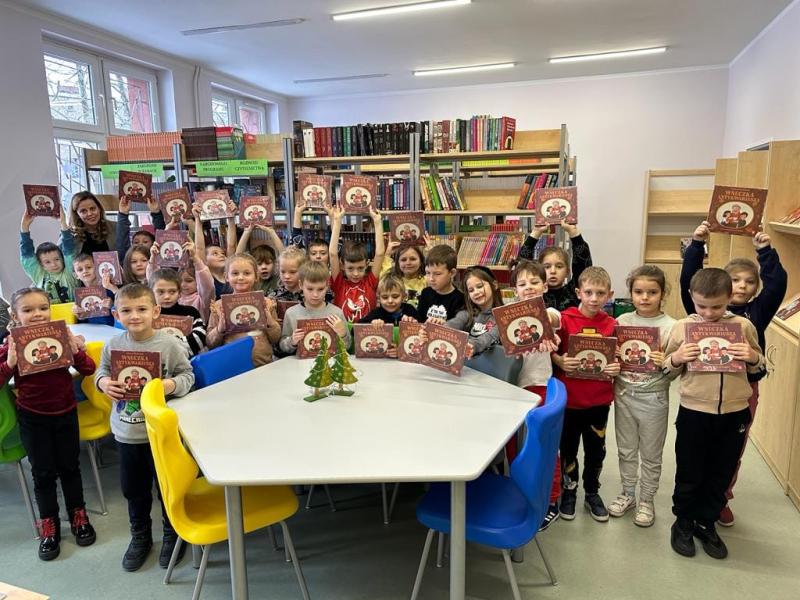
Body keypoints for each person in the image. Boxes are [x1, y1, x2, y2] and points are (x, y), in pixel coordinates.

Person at [680, 222, 787, 526]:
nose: (742, 286)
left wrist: (765, 251)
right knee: (696, 449)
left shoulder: (757, 312)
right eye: (735, 280)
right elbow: (691, 281)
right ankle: (695, 500)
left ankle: (721, 497)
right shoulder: (702, 309)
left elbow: (777, 284)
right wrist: (697, 245)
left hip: (742, 391)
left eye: (749, 282)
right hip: (701, 391)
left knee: (731, 450)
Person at [663, 268, 765, 560]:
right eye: (701, 306)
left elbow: (760, 369)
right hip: (694, 410)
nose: (708, 313)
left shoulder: (744, 327)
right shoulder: (682, 327)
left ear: (730, 298)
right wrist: (677, 359)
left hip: (734, 412)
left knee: (721, 470)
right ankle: (683, 521)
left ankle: (706, 522)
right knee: (689, 470)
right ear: (692, 299)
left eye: (717, 306)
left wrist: (753, 358)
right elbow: (666, 371)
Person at [94, 283, 194, 571]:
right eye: (126, 310)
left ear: (156, 311)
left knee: (165, 489)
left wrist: (169, 384)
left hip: (160, 435)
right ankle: (140, 536)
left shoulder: (168, 344)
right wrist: (103, 383)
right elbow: (102, 371)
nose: (134, 316)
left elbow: (187, 375)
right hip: (126, 433)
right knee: (133, 490)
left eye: (141, 309)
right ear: (116, 314)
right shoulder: (114, 345)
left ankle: (172, 533)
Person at [0, 287, 97, 560]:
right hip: (32, 417)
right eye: (28, 310)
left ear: (50, 309)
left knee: (70, 467)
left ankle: (78, 515)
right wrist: (9, 363)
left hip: (66, 411)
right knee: (42, 473)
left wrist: (75, 347)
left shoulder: (61, 335)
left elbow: (88, 369)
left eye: (42, 308)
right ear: (14, 314)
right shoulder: (11, 343)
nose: (37, 314)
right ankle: (49, 524)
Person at [607, 265, 676, 528]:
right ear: (631, 293)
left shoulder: (671, 327)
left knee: (650, 453)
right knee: (625, 449)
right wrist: (612, 361)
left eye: (652, 292)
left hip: (654, 397)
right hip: (624, 393)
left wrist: (666, 362)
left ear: (662, 294)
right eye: (638, 292)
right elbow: (613, 359)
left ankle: (646, 499)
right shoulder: (621, 322)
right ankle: (627, 493)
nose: (644, 297)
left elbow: (675, 372)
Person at [552, 266, 620, 523]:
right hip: (569, 401)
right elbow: (548, 349)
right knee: (567, 448)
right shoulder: (564, 319)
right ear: (578, 292)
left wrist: (616, 367)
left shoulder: (612, 324)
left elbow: (618, 358)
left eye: (600, 293)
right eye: (589, 292)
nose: (594, 298)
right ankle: (570, 491)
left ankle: (592, 492)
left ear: (609, 295)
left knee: (595, 451)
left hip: (599, 402)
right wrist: (559, 361)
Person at [510, 260, 562, 529]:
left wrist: (540, 317)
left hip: (539, 385)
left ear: (544, 285)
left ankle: (551, 499)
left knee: (543, 446)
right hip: (511, 388)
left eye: (534, 283)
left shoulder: (550, 310)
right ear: (514, 289)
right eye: (522, 284)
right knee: (512, 445)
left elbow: (553, 319)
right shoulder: (507, 314)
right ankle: (516, 491)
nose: (528, 288)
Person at [207, 253, 281, 366]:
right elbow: (210, 344)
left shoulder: (267, 303)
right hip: (232, 367)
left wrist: (271, 322)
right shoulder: (219, 306)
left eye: (247, 273)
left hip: (263, 365)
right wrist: (219, 329)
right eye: (235, 273)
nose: (241, 277)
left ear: (256, 276)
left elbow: (275, 339)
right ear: (227, 276)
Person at [518, 221, 593, 311]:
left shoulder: (574, 291)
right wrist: (536, 232)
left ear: (567, 272)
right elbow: (523, 265)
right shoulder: (534, 293)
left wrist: (573, 232)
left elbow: (583, 265)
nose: (553, 271)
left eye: (559, 266)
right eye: (547, 267)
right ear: (539, 270)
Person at [278, 261, 350, 355]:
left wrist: (343, 334)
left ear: (327, 286)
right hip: (301, 366)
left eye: (320, 289)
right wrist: (292, 341)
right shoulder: (291, 313)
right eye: (310, 289)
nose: (315, 295)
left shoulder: (337, 313)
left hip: (329, 365)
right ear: (301, 285)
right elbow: (283, 347)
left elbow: (347, 346)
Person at [329, 206, 386, 322]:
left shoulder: (370, 282)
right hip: (343, 333)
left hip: (367, 333)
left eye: (360, 268)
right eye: (350, 268)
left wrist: (377, 222)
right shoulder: (339, 284)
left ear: (367, 264)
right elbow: (332, 254)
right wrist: (337, 221)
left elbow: (380, 253)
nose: (355, 273)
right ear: (342, 265)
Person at [20, 211, 78, 303]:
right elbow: (27, 255)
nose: (54, 264)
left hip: (70, 315)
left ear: (63, 259)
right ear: (41, 265)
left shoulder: (68, 273)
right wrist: (24, 226)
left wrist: (63, 222)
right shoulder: (39, 275)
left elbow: (69, 250)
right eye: (47, 262)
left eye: (57, 259)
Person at [445, 266, 503, 358]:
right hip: (470, 368)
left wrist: (472, 345)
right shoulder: (467, 313)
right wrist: (437, 330)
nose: (476, 292)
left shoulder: (502, 317)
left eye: (480, 286)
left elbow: (489, 337)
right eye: (471, 290)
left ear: (494, 285)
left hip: (492, 369)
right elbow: (453, 324)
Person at [150, 269, 206, 357]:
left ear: (180, 293)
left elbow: (200, 338)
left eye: (172, 291)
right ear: (151, 293)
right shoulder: (148, 315)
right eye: (160, 292)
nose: (167, 296)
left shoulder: (190, 312)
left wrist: (162, 345)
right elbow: (143, 341)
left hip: (185, 362)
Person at [192, 202, 237, 299]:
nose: (222, 255)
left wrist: (231, 218)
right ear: (205, 260)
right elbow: (199, 248)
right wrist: (197, 220)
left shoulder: (231, 274)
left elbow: (231, 246)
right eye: (215, 253)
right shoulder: (205, 276)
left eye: (223, 253)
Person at [416, 245, 465, 323]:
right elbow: (419, 320)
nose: (431, 278)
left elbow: (458, 328)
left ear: (452, 273)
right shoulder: (426, 293)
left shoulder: (460, 299)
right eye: (428, 273)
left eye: (437, 274)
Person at [116, 194, 166, 260]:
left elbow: (161, 236)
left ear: (153, 244)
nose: (140, 244)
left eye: (145, 242)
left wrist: (156, 213)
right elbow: (122, 242)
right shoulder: (128, 260)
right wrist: (123, 214)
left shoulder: (159, 259)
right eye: (136, 242)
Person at [382, 241, 428, 310]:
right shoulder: (393, 281)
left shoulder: (427, 280)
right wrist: (388, 253)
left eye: (413, 259)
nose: (408, 263)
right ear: (398, 263)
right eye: (403, 260)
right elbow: (385, 271)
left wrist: (431, 252)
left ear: (421, 261)